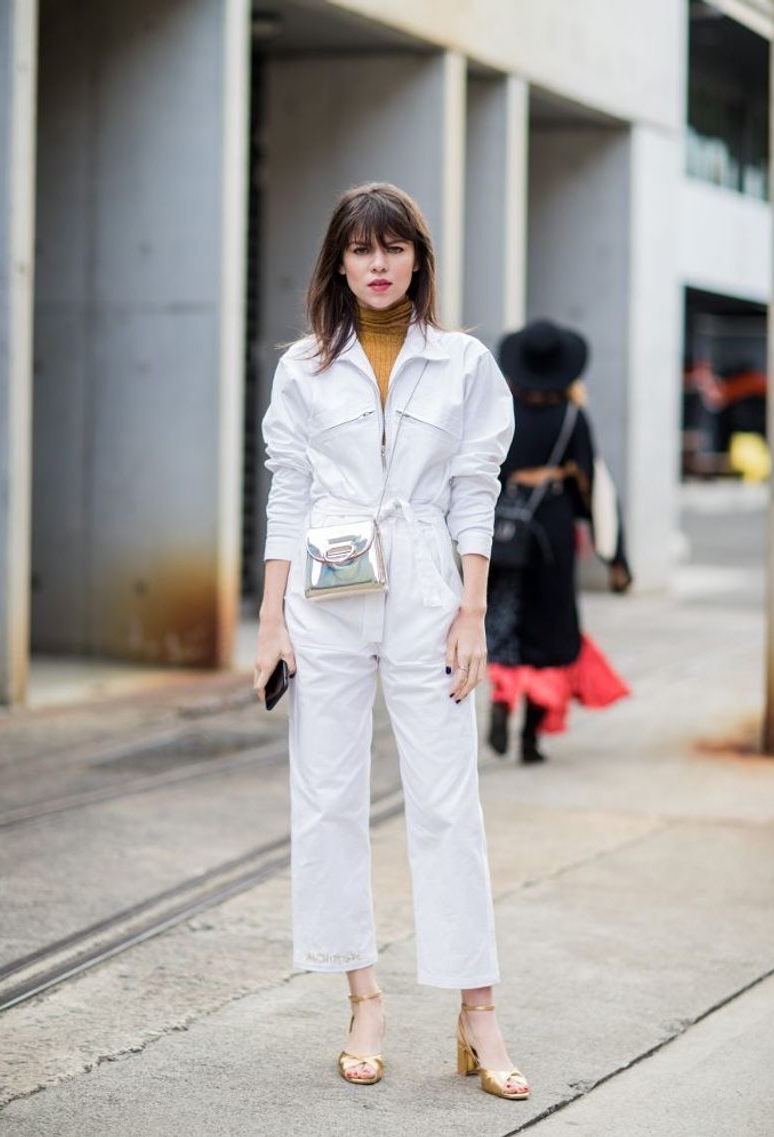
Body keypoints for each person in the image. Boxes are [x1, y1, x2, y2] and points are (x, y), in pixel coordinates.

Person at [254, 182, 530, 1100]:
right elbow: (288, 491)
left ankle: (477, 1009)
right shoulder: (302, 367)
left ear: (418, 258)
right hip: (326, 599)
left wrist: (470, 610)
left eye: (394, 248)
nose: (378, 265)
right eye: (361, 250)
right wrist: (268, 621)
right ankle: (363, 996)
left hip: (425, 591)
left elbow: (474, 487)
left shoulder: (461, 363)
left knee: (448, 802)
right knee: (328, 798)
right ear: (338, 261)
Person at [486, 319, 630, 762]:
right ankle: (530, 739)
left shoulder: (498, 410)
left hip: (502, 533)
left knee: (504, 625)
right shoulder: (572, 417)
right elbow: (592, 489)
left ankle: (501, 699)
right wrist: (616, 556)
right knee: (548, 635)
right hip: (550, 532)